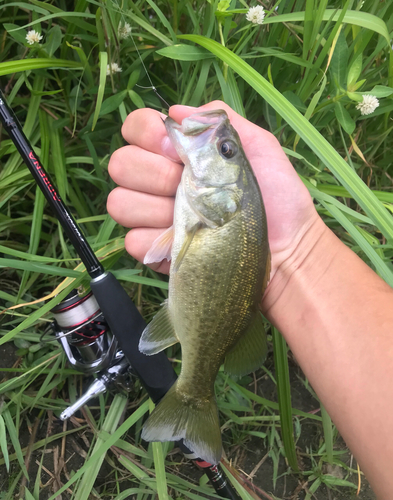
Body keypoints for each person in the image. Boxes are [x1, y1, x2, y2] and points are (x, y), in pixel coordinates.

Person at [107, 101, 393, 500]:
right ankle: (192, 399)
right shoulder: (213, 205)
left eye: (226, 152)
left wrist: (298, 253)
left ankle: (193, 394)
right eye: (228, 150)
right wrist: (299, 258)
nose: (220, 143)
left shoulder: (219, 209)